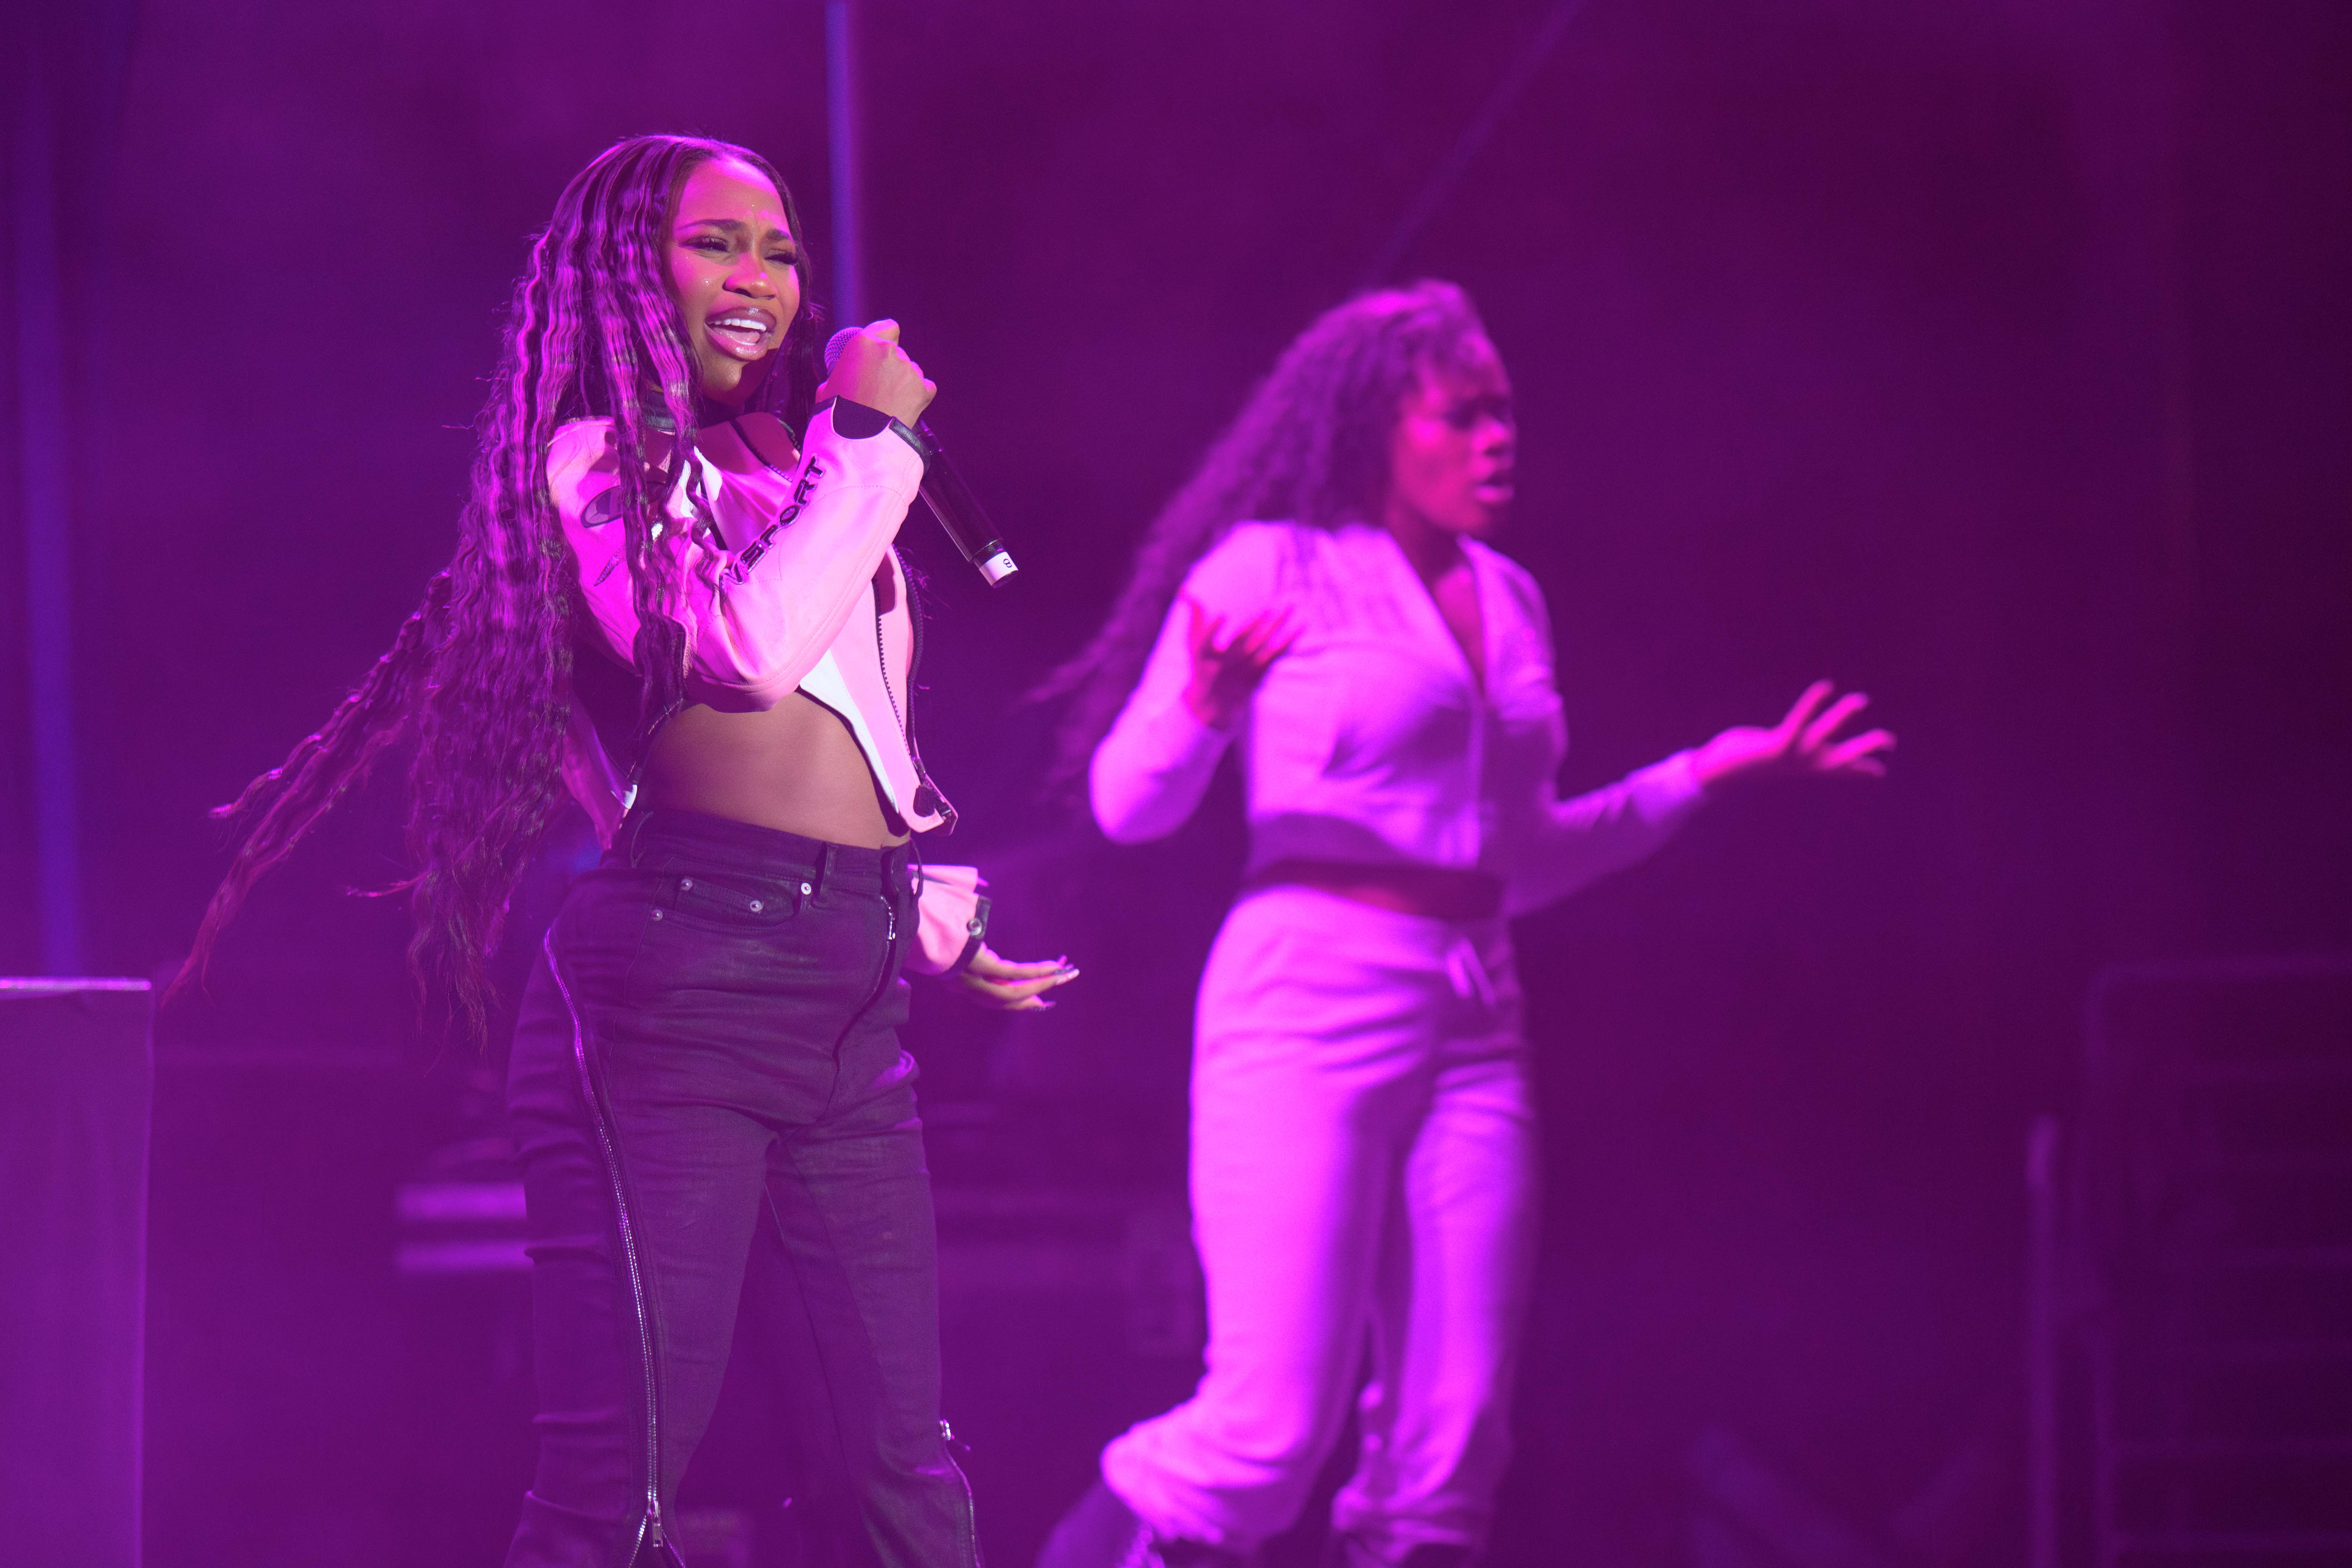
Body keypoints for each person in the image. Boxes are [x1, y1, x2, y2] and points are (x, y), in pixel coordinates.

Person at [179, 134, 1076, 1567]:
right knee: (624, 1496)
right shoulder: (599, 464)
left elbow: (856, 733)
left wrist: (920, 907)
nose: (758, 279)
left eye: (779, 250)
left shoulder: (810, 474)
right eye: (713, 242)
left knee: (900, 1479)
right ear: (627, 276)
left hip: (848, 999)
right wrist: (876, 447)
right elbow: (744, 656)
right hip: (679, 992)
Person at [1031, 282, 1892, 1568]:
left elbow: (1523, 860)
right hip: (1304, 1000)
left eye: (1507, 415)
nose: (1499, 439)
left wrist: (1703, 774)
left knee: (1451, 1446)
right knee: (1266, 1432)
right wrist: (1203, 705)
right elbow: (1126, 807)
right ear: (1384, 426)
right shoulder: (1277, 567)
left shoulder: (1511, 597)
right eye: (1464, 414)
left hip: (1475, 1015)